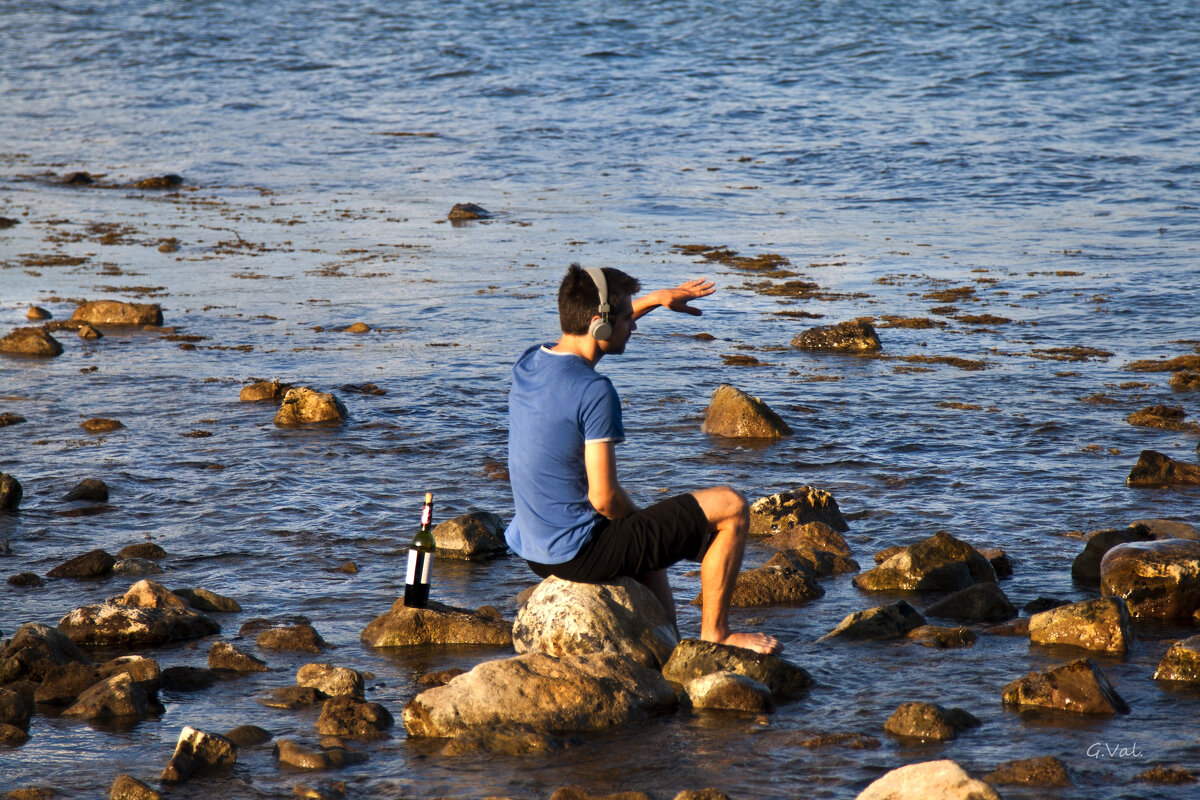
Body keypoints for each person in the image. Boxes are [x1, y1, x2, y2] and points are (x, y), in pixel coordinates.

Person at [504, 263, 781, 655]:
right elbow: (603, 499)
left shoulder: (529, 361)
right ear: (601, 324)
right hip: (577, 554)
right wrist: (636, 519)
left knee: (644, 541)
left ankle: (669, 644)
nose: (633, 326)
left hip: (533, 546)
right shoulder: (594, 391)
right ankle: (716, 633)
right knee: (731, 506)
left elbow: (600, 323)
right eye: (627, 318)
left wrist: (657, 298)